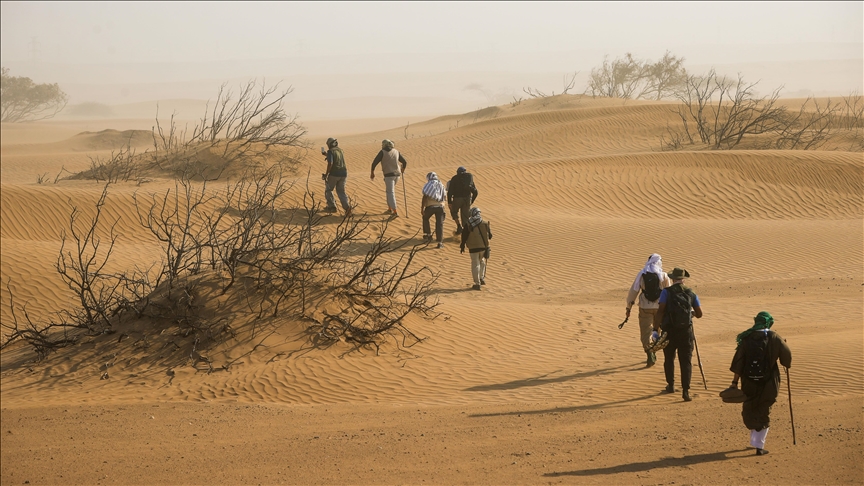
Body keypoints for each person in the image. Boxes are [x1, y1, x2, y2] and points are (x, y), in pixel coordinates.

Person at [727, 311, 792, 456]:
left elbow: (738, 363)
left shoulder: (746, 338)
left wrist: (734, 382)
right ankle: (759, 445)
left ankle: (755, 441)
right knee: (764, 408)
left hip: (748, 381)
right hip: (769, 382)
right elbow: (787, 359)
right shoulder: (775, 337)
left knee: (751, 407)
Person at [653, 267, 703, 402]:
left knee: (669, 359)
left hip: (669, 331)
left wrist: (655, 329)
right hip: (686, 332)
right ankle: (686, 391)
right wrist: (691, 314)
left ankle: (671, 385)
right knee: (686, 361)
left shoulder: (666, 292)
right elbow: (699, 314)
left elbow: (660, 311)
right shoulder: (691, 293)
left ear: (672, 279)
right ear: (683, 279)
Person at [626, 254, 673, 367]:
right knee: (657, 330)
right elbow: (669, 292)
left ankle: (649, 353)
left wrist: (629, 307)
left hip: (645, 307)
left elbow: (633, 291)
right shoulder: (663, 275)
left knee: (646, 331)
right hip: (660, 308)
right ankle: (654, 349)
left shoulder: (642, 274)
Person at [370, 139, 407, 217]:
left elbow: (374, 163)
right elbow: (404, 162)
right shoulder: (396, 151)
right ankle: (389, 209)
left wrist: (372, 172)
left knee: (390, 192)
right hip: (397, 175)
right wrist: (403, 169)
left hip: (389, 176)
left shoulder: (382, 152)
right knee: (389, 191)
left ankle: (395, 211)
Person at [459, 207, 491, 291]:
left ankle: (477, 283)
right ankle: (481, 278)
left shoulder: (468, 224)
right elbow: (490, 235)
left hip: (473, 248)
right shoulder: (485, 223)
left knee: (475, 264)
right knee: (482, 262)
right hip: (483, 247)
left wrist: (462, 246)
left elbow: (464, 236)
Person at [322, 137, 351, 215]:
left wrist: (326, 174)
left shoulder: (330, 151)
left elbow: (330, 163)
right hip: (344, 173)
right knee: (341, 192)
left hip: (334, 174)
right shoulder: (340, 150)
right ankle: (347, 208)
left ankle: (332, 207)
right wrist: (326, 154)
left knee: (328, 190)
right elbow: (336, 157)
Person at [447, 166, 478, 235]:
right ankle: (466, 233)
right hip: (467, 199)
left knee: (453, 211)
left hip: (457, 199)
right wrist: (471, 201)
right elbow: (475, 192)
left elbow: (450, 192)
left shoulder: (454, 178)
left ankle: (459, 226)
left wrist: (449, 202)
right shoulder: (468, 179)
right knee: (465, 217)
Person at [421, 172, 447, 249]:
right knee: (439, 224)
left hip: (430, 207)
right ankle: (440, 242)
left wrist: (422, 208)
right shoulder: (441, 185)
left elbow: (425, 197)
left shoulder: (428, 185)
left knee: (425, 218)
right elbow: (444, 197)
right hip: (440, 207)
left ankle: (428, 235)